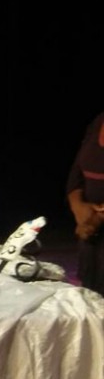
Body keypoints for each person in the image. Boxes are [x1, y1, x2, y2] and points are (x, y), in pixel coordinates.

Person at [66, 111, 104, 295]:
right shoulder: (98, 121)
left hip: (93, 224)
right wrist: (78, 206)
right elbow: (77, 171)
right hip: (90, 233)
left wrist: (97, 218)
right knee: (90, 294)